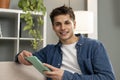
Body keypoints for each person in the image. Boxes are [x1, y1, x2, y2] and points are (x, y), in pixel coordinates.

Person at [15, 5, 116, 80]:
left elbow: (108, 78)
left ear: (74, 24)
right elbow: (29, 58)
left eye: (67, 23)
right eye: (58, 24)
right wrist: (21, 55)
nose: (63, 28)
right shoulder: (49, 50)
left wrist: (65, 76)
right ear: (53, 28)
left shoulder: (94, 46)